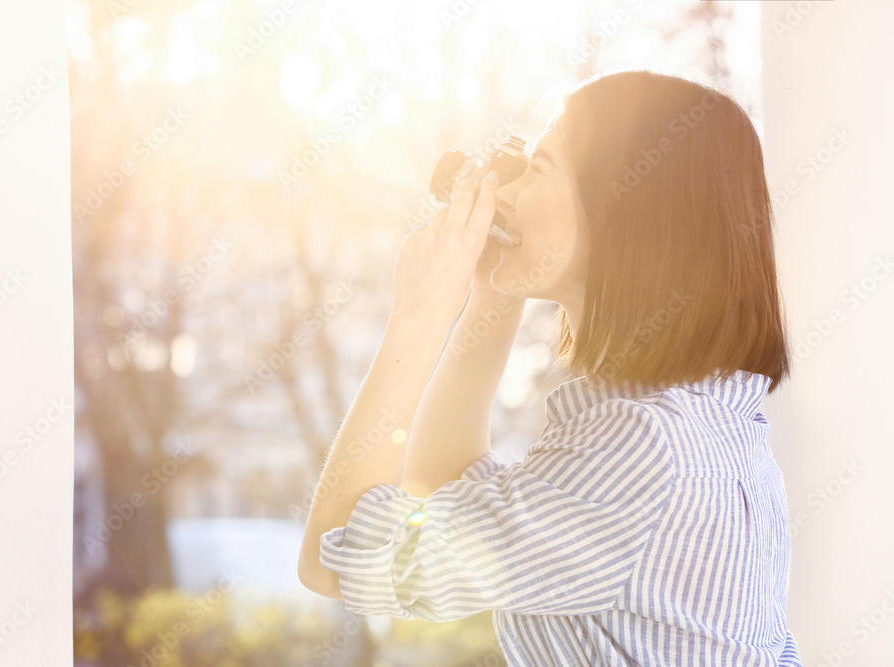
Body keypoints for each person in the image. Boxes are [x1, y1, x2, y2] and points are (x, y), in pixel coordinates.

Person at [297, 69, 803, 666]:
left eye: (537, 169)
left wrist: (417, 317)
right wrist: (493, 297)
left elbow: (341, 557)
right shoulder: (702, 421)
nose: (503, 197)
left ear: (622, 209)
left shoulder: (642, 448)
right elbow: (443, 493)